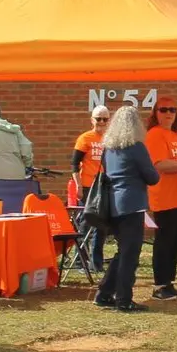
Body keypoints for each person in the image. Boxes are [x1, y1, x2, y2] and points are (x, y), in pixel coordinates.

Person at [95, 106, 160, 313]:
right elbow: (153, 177)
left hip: (112, 204)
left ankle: (104, 293)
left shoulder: (108, 148)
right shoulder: (137, 147)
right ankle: (124, 299)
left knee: (123, 251)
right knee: (130, 254)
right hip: (131, 204)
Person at [146, 96, 177, 301]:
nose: (169, 113)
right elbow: (159, 164)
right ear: (155, 113)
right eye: (163, 110)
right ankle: (159, 285)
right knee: (164, 242)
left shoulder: (176, 135)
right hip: (164, 197)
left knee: (175, 241)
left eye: (172, 109)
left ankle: (169, 283)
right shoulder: (155, 134)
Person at [72, 105, 110, 269]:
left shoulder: (111, 139)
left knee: (101, 225)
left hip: (104, 186)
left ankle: (96, 262)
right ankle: (80, 260)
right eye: (98, 118)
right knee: (85, 223)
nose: (101, 122)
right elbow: (74, 164)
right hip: (88, 186)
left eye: (105, 119)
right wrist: (78, 186)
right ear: (92, 120)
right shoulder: (85, 138)